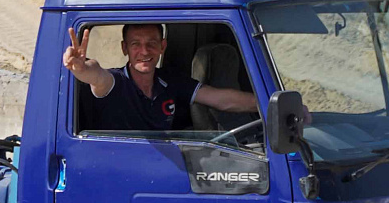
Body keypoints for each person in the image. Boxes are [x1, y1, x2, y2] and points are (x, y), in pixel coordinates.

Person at [64, 24, 262, 132]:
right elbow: (97, 76)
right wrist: (80, 69)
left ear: (162, 46)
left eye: (152, 43)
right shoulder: (116, 81)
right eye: (135, 44)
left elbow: (220, 99)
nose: (144, 51)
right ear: (124, 49)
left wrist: (268, 104)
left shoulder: (170, 80)